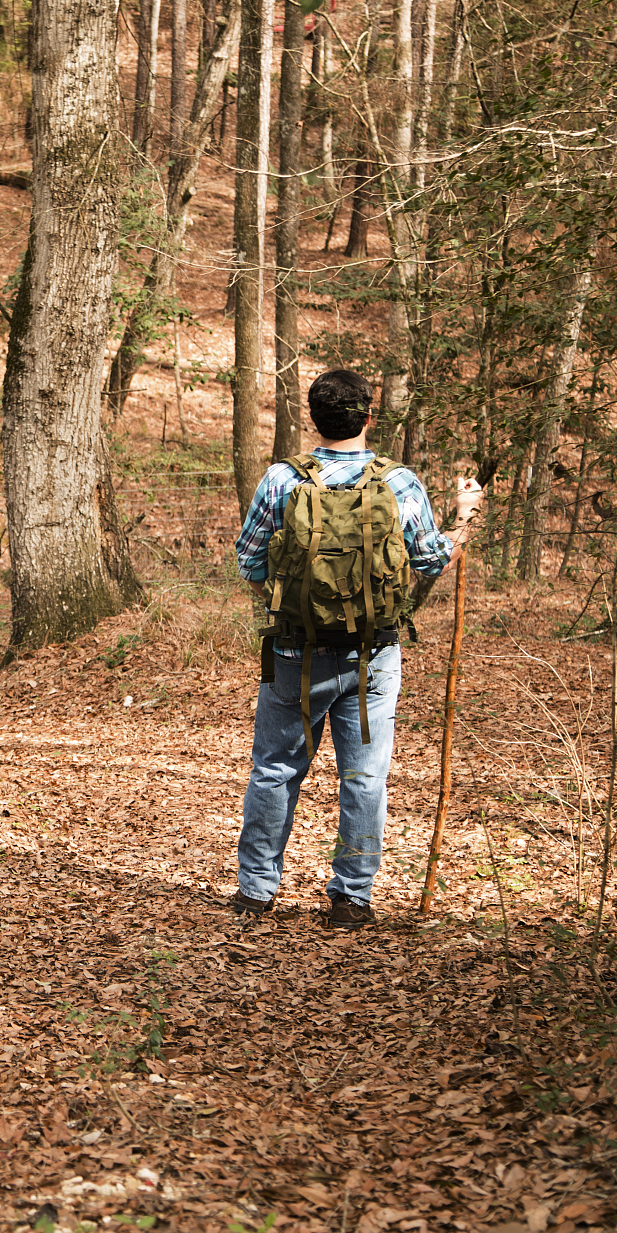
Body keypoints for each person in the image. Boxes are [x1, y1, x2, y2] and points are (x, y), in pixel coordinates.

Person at [231, 368, 482, 929]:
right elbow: (430, 560)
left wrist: (291, 607)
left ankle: (255, 891)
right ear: (369, 416)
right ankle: (351, 897)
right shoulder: (398, 482)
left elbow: (251, 563)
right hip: (373, 653)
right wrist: (463, 519)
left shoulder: (280, 479)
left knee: (274, 770)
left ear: (310, 418)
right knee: (364, 777)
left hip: (295, 653)